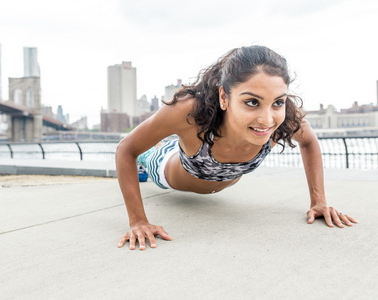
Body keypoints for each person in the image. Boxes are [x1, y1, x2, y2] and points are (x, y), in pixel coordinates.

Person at [116, 45, 357, 250]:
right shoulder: (190, 111)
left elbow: (309, 141)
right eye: (252, 102)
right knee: (148, 153)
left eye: (277, 102)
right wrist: (138, 221)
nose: (267, 119)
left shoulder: (285, 117)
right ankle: (153, 152)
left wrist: (319, 202)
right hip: (164, 167)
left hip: (196, 163)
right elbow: (126, 149)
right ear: (224, 97)